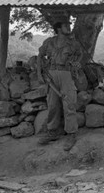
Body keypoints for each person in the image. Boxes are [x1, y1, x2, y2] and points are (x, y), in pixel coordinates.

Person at [36, 18, 83, 151]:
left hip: (66, 73)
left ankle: (71, 134)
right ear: (58, 29)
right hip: (51, 74)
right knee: (52, 104)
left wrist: (76, 64)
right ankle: (52, 132)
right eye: (66, 25)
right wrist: (39, 74)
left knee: (69, 104)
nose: (69, 27)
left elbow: (80, 55)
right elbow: (40, 56)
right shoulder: (49, 42)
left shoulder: (73, 43)